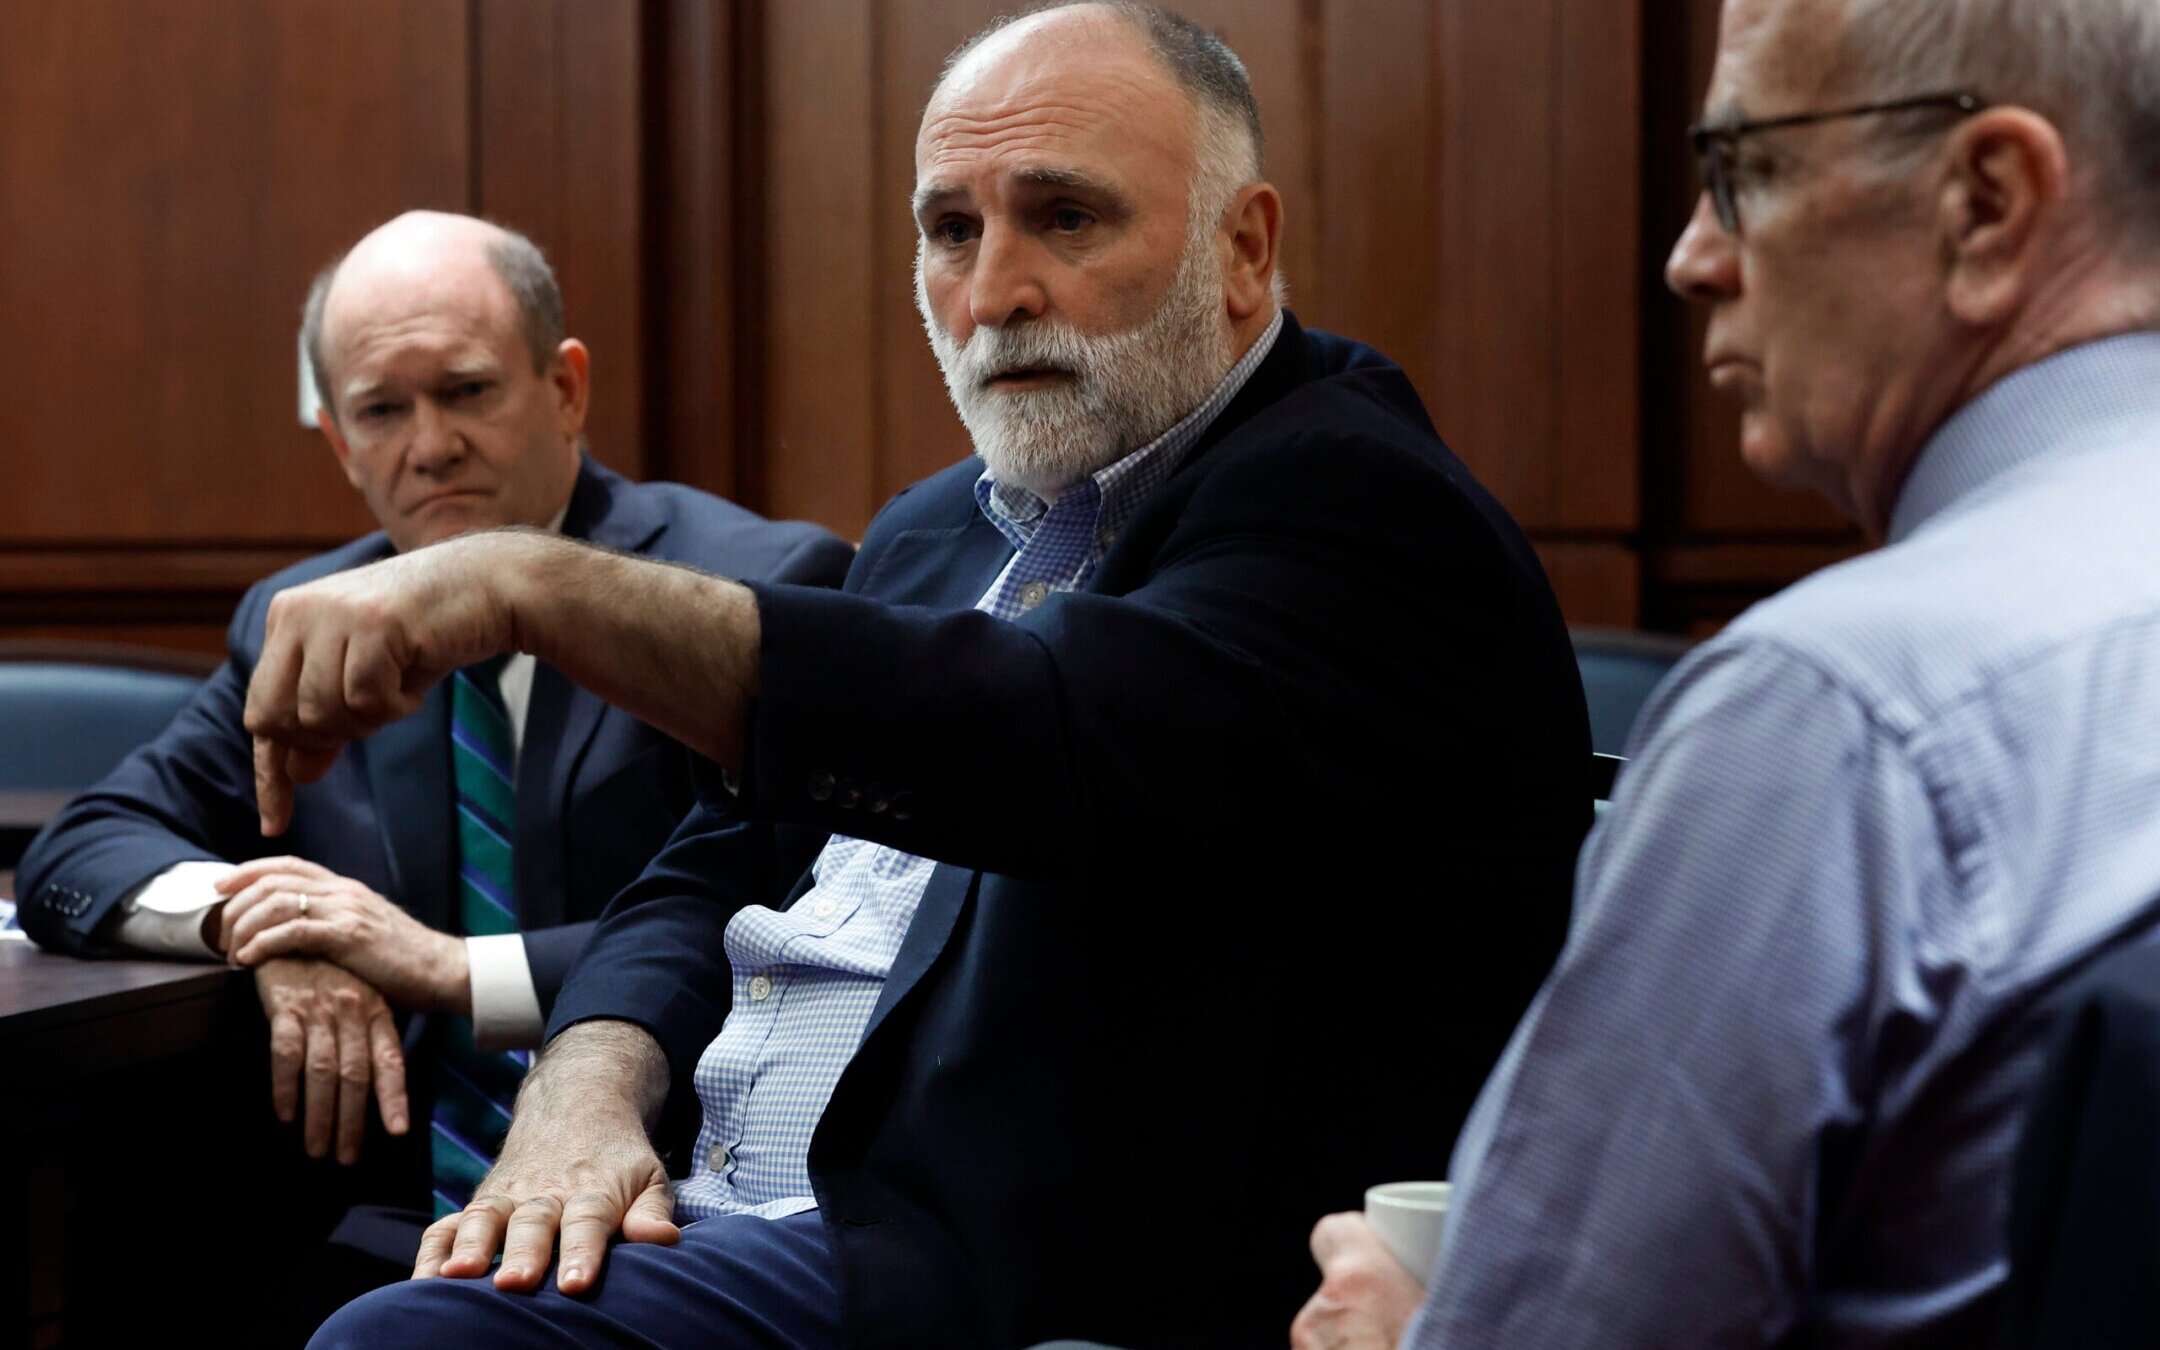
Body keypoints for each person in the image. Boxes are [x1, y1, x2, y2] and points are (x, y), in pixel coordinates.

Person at [263, 6, 1590, 1347]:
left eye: (1064, 218)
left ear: (1242, 250)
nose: (996, 291)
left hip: (978, 1265)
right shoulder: (931, 529)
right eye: (951, 231)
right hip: (711, 1200)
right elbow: (713, 857)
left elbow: (1034, 729)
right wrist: (590, 1073)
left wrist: (532, 582)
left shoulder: (1357, 504)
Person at [1291, 0, 2160, 1345]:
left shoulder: (1834, 715)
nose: (1692, 257)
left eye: (1743, 169)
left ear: (1987, 202)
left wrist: (1413, 1325)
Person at [13, 211, 854, 1302]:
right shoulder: (301, 618)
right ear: (340, 442)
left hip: (671, 1218)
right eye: (381, 410)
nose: (430, 445)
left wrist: (447, 970)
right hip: (380, 1224)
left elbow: (791, 922)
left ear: (565, 390)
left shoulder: (744, 596)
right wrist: (259, 924)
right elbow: (83, 848)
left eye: (465, 392)